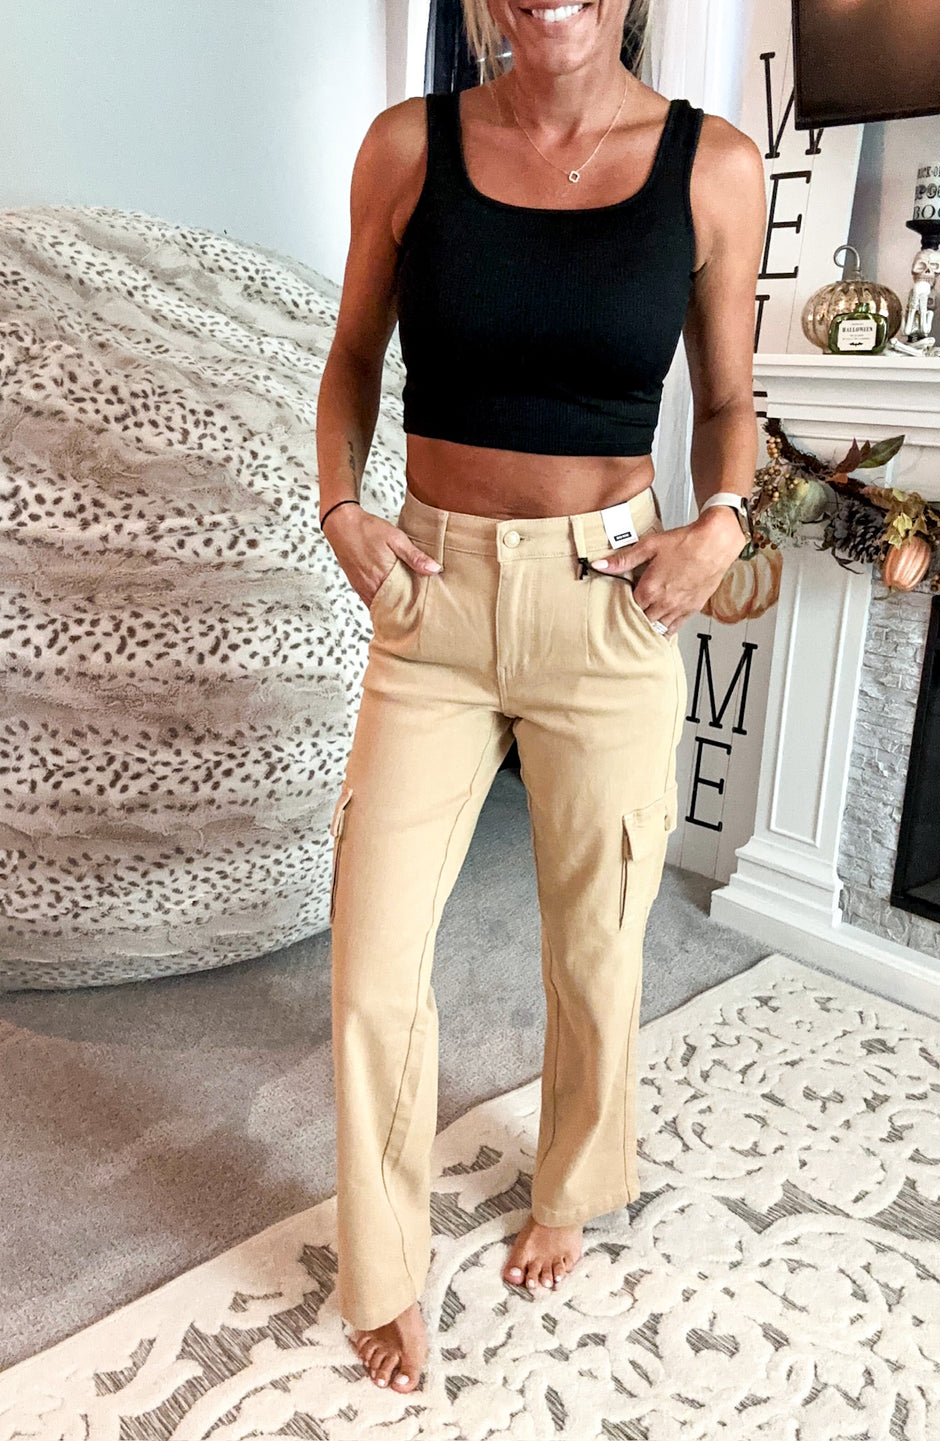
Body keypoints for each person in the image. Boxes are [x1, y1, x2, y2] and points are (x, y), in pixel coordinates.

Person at [314, 0, 766, 1396]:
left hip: (610, 600)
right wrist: (339, 507)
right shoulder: (407, 147)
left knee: (597, 935)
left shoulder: (714, 166)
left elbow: (728, 402)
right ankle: (382, 1265)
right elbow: (353, 355)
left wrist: (722, 525)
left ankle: (571, 1180)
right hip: (433, 601)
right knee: (372, 952)